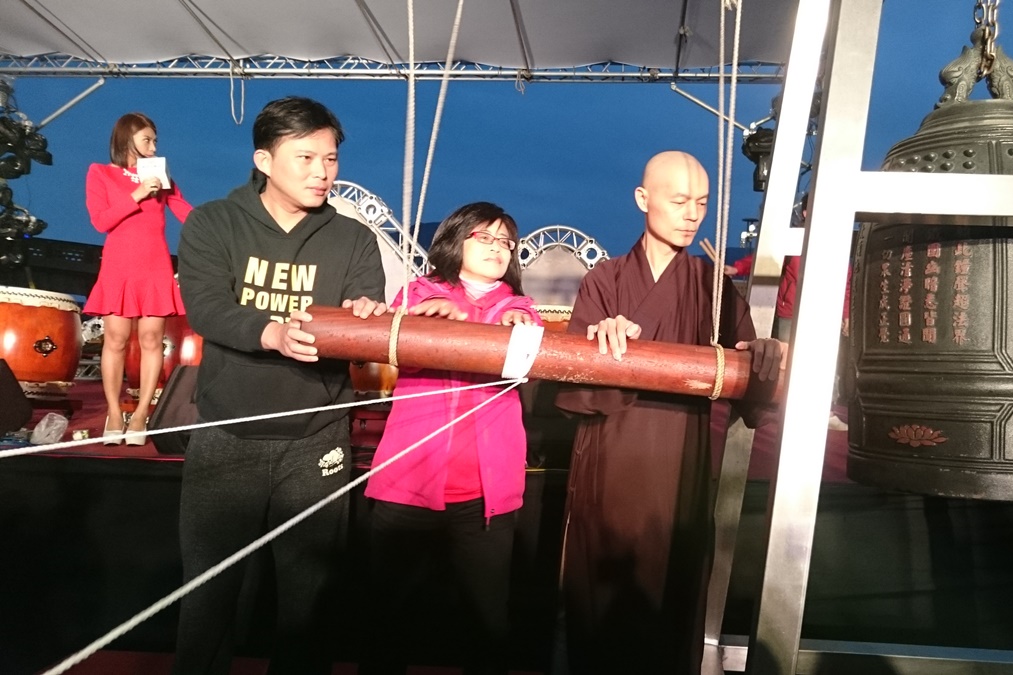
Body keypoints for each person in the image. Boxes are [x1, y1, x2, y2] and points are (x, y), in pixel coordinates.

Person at [174, 96, 386, 675]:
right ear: (264, 160)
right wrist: (269, 332)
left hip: (318, 440)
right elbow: (207, 308)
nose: (323, 172)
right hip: (227, 436)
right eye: (307, 156)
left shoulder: (353, 238)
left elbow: (365, 312)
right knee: (209, 597)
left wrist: (366, 317)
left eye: (332, 159)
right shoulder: (213, 221)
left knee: (309, 600)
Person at [555, 150, 784, 674]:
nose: (691, 215)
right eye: (678, 200)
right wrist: (602, 343)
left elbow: (749, 371)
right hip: (612, 458)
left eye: (701, 204)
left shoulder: (712, 285)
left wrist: (764, 353)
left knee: (672, 595)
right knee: (604, 599)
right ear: (643, 199)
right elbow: (572, 387)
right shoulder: (605, 280)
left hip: (684, 459)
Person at [362, 201, 541, 675]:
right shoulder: (417, 294)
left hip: (487, 499)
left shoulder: (521, 310)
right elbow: (395, 349)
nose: (499, 247)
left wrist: (510, 329)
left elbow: (525, 361)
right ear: (455, 240)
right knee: (387, 623)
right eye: (486, 237)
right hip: (407, 487)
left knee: (487, 627)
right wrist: (423, 321)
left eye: (506, 241)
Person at [83, 112, 192, 446]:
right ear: (126, 139)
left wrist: (222, 225)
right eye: (147, 139)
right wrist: (137, 194)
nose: (153, 146)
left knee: (151, 340)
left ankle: (142, 413)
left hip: (155, 264)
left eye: (155, 140)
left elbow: (184, 210)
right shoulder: (99, 173)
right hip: (119, 266)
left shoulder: (160, 175)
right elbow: (101, 221)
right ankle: (114, 414)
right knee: (115, 339)